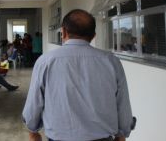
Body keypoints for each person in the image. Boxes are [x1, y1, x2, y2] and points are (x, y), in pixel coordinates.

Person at [22, 9, 134, 141]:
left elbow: (34, 102)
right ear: (93, 36)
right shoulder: (111, 61)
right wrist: (122, 133)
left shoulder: (45, 61)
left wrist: (32, 130)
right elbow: (122, 103)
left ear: (63, 32)